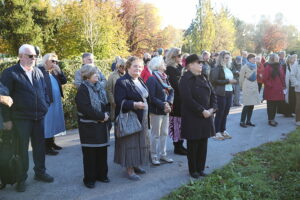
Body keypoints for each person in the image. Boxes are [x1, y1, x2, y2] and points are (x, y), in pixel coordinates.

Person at [0, 44, 54, 192]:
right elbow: (4, 97)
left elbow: (44, 91)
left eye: (35, 56)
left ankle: (40, 172)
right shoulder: (10, 73)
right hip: (20, 118)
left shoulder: (38, 72)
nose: (34, 58)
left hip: (38, 117)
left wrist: (45, 105)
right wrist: (6, 120)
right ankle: (21, 178)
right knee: (21, 149)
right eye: (30, 56)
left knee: (39, 147)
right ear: (21, 56)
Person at [179, 54, 217, 178]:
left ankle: (201, 169)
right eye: (198, 62)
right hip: (193, 117)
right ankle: (193, 170)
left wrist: (212, 109)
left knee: (203, 143)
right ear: (190, 65)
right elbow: (187, 99)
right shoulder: (184, 79)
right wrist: (202, 111)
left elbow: (213, 94)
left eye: (201, 62)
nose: (201, 64)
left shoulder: (204, 77)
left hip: (206, 115)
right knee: (193, 144)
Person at [114, 56, 150, 181]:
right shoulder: (122, 82)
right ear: (128, 67)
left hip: (143, 117)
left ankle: (136, 164)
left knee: (140, 142)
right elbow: (119, 101)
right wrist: (135, 104)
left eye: (140, 66)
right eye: (135, 66)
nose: (138, 69)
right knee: (130, 143)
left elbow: (146, 96)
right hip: (130, 117)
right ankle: (129, 169)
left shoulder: (140, 80)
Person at [75, 64, 110, 189]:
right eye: (95, 73)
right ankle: (89, 179)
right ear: (87, 76)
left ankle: (102, 175)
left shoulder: (99, 87)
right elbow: (86, 109)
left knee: (102, 151)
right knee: (90, 154)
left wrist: (106, 115)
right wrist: (101, 116)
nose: (98, 75)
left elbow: (106, 103)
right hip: (89, 127)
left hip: (101, 125)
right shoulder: (83, 89)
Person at [146, 56, 174, 166]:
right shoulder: (152, 79)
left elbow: (172, 91)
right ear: (158, 65)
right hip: (157, 110)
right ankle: (153, 156)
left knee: (164, 133)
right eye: (163, 63)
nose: (165, 64)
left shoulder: (164, 77)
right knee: (155, 134)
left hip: (165, 109)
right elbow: (151, 97)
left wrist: (169, 103)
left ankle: (163, 154)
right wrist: (164, 104)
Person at [39, 53, 67, 155]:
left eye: (56, 61)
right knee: (48, 123)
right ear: (46, 61)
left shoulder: (54, 72)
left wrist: (59, 72)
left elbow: (64, 81)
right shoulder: (40, 71)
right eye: (53, 61)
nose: (55, 63)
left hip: (56, 101)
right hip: (47, 102)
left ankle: (52, 143)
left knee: (54, 121)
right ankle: (46, 147)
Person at [210, 51, 237, 140]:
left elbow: (230, 79)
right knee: (220, 113)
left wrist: (234, 80)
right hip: (221, 93)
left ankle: (223, 130)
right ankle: (216, 132)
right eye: (226, 57)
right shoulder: (217, 68)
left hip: (229, 92)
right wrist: (228, 81)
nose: (228, 59)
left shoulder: (228, 68)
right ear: (221, 58)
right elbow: (213, 81)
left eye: (229, 58)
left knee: (225, 113)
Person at [165, 47, 187, 155]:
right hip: (176, 99)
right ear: (173, 56)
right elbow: (175, 85)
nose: (181, 57)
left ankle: (181, 144)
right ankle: (177, 146)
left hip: (182, 98)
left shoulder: (179, 66)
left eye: (181, 55)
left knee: (181, 122)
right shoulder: (169, 68)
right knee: (176, 122)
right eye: (179, 55)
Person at [263, 53, 285, 127]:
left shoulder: (279, 66)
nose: (278, 58)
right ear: (272, 58)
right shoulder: (268, 66)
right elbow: (265, 79)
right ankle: (270, 120)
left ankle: (273, 119)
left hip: (278, 89)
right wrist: (271, 85)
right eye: (276, 58)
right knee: (270, 105)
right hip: (271, 90)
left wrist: (283, 85)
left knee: (275, 105)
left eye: (278, 57)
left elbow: (282, 76)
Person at [239, 54, 260, 128]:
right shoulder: (244, 66)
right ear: (249, 59)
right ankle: (242, 121)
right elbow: (241, 78)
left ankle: (248, 121)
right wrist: (241, 87)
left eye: (255, 58)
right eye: (253, 58)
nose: (254, 59)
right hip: (247, 86)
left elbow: (255, 76)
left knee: (252, 104)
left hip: (254, 86)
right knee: (247, 104)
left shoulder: (255, 65)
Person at [290, 57, 300, 126]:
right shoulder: (296, 65)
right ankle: (298, 120)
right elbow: (292, 76)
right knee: (298, 104)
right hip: (299, 88)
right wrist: (297, 83)